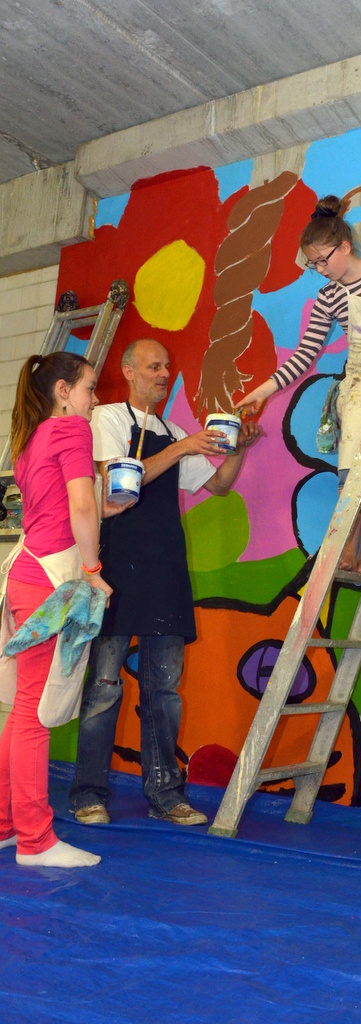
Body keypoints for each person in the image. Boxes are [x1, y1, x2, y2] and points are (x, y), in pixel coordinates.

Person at [69, 338, 261, 827]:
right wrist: (182, 447)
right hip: (116, 568)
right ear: (129, 372)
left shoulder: (173, 431)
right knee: (104, 688)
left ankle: (166, 795)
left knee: (164, 690)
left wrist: (238, 448)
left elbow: (218, 485)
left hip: (165, 570)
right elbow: (119, 483)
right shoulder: (107, 419)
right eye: (153, 366)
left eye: (167, 367)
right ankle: (88, 794)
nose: (163, 373)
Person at [235, 194, 361, 576]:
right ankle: (345, 548)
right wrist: (264, 389)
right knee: (352, 473)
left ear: (345, 246)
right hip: (359, 384)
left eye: (323, 260)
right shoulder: (328, 297)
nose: (320, 269)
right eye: (313, 264)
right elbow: (304, 353)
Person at [0, 352, 117, 868]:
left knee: (24, 709)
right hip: (50, 580)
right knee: (35, 713)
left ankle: (7, 826)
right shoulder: (71, 429)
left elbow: (68, 506)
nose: (95, 399)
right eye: (90, 388)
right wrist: (93, 570)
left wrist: (106, 507)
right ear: (64, 391)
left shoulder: (30, 437)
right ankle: (35, 841)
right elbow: (80, 506)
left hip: (27, 574)